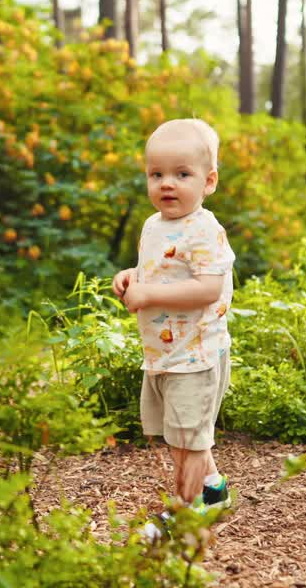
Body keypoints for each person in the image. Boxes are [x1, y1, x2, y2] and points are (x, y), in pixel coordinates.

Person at [112, 118, 235, 534]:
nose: (168, 183)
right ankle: (214, 491)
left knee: (188, 439)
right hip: (164, 353)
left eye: (182, 174)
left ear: (209, 181)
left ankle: (187, 510)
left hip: (195, 355)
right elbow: (159, 270)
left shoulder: (204, 229)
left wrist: (148, 297)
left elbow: (207, 289)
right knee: (181, 434)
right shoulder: (153, 225)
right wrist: (132, 277)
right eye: (157, 174)